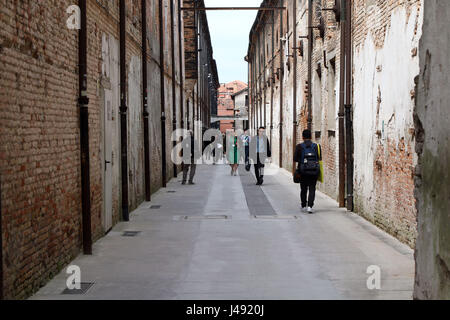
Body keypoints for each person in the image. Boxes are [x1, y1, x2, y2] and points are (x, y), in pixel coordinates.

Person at [293, 129, 322, 213]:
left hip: (303, 171)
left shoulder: (299, 146)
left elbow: (295, 159)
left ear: (302, 137)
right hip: (314, 171)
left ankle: (303, 205)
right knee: (312, 188)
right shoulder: (317, 146)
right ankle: (310, 206)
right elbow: (320, 158)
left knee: (303, 188)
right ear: (311, 136)